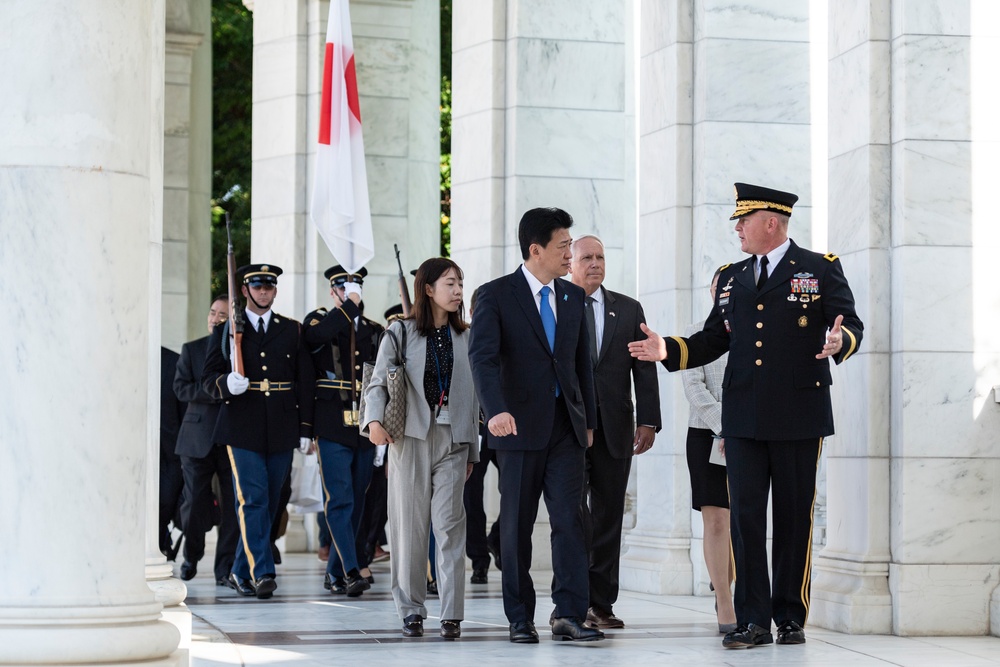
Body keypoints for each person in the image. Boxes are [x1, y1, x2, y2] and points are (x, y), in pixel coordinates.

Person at [629, 183, 864, 648]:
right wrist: (668, 350)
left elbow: (850, 324)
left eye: (744, 219)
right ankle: (753, 619)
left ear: (770, 223)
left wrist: (840, 343)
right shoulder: (732, 275)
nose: (737, 227)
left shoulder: (818, 269)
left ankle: (790, 618)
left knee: (795, 517)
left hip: (799, 413)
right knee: (747, 520)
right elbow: (715, 339)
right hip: (743, 418)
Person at [469, 207, 604, 643]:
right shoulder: (494, 295)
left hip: (567, 429)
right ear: (535, 249)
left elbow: (581, 364)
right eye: (563, 246)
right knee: (516, 525)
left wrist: (589, 422)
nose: (571, 254)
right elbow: (482, 360)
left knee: (570, 521)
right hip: (517, 429)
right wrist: (496, 410)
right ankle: (519, 616)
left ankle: (569, 613)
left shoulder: (571, 297)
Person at [363, 257, 480, 640]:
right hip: (409, 437)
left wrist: (473, 451)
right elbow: (379, 380)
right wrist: (374, 421)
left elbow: (476, 397)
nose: (458, 291)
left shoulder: (468, 335)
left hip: (454, 440)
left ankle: (451, 613)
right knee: (409, 528)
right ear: (428, 289)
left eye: (461, 284)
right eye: (450, 283)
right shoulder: (400, 331)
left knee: (449, 526)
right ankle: (411, 610)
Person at [202, 263, 315, 600]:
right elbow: (207, 379)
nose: (264, 292)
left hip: (282, 425)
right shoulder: (226, 331)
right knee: (253, 499)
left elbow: (304, 381)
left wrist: (306, 428)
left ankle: (239, 569)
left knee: (269, 503)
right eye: (257, 287)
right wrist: (226, 383)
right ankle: (262, 571)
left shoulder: (291, 330)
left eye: (269, 287)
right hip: (242, 425)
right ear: (246, 291)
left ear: (275, 291)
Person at [567, 234, 661, 629]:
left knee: (608, 517)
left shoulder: (627, 308)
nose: (595, 263)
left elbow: (644, 365)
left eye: (600, 257)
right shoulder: (557, 303)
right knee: (572, 515)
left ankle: (601, 603)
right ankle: (573, 599)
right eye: (586, 257)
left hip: (616, 430)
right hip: (569, 429)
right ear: (570, 262)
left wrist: (649, 419)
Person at [302, 265, 384, 597]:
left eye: (353, 288)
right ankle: (351, 569)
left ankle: (336, 571)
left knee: (358, 501)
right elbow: (314, 339)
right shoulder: (320, 321)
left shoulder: (376, 330)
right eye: (341, 288)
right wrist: (347, 308)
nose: (348, 293)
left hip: (364, 426)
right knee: (340, 499)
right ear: (332, 290)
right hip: (332, 423)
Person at [680, 267, 736, 633]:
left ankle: (747, 593)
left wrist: (742, 428)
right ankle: (725, 602)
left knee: (744, 522)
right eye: (718, 288)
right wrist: (725, 425)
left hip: (751, 437)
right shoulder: (698, 334)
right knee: (715, 520)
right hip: (707, 436)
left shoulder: (758, 333)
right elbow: (694, 386)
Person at [173, 294, 240, 586]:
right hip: (196, 438)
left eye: (223, 316)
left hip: (231, 437)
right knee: (194, 504)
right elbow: (181, 389)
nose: (215, 319)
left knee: (232, 508)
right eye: (213, 313)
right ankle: (191, 554)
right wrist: (218, 390)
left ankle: (223, 569)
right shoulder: (192, 349)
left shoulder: (238, 351)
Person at [462, 287, 500, 584]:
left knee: (522, 488)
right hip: (473, 429)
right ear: (473, 312)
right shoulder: (462, 337)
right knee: (471, 497)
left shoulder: (506, 334)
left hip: (503, 426)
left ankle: (497, 538)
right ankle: (478, 559)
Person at [159, 346, 186, 558]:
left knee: (166, 500)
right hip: (133, 451)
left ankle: (161, 541)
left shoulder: (173, 361)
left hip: (171, 452)